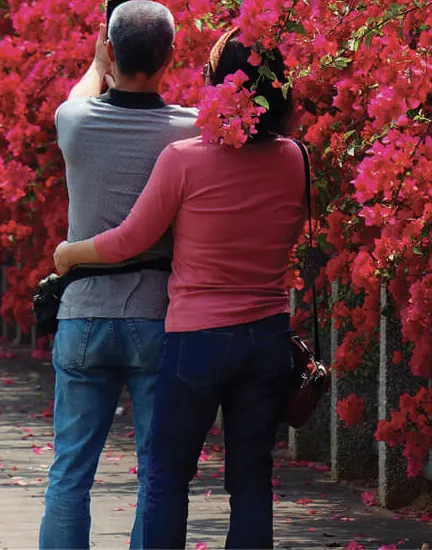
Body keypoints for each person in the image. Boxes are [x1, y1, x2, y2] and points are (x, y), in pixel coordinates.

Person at [54, 29, 307, 550]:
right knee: (252, 478)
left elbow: (133, 238)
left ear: (216, 87)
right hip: (267, 338)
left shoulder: (186, 158)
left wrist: (70, 253)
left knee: (168, 477)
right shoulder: (295, 159)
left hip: (198, 341)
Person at [39, 0, 198, 550]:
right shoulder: (189, 130)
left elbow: (79, 97)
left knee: (70, 472)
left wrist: (97, 58)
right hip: (157, 315)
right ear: (170, 57)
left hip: (83, 314)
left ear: (110, 51)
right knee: (157, 471)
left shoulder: (76, 122)